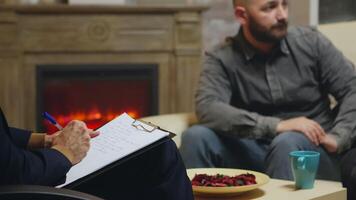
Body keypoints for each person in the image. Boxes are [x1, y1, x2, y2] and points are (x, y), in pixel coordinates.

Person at [180, 0, 356, 181]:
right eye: (270, 8)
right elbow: (208, 107)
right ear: (242, 15)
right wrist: (276, 126)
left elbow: (352, 88)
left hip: (310, 152)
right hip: (254, 149)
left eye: (284, 5)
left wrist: (338, 137)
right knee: (195, 137)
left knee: (287, 142)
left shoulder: (311, 42)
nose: (282, 15)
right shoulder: (221, 58)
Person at [0, 107, 194, 200]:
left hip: (33, 174)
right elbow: (15, 172)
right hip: (28, 191)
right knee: (159, 154)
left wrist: (45, 139)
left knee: (156, 148)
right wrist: (64, 152)